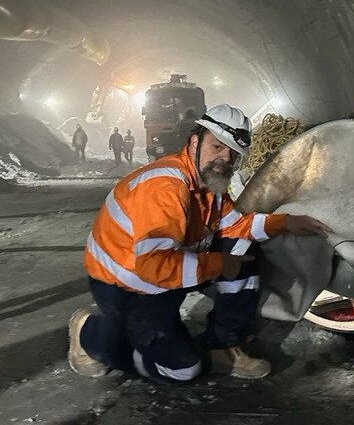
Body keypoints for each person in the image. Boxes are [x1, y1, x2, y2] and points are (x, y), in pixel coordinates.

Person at [68, 104, 330, 383]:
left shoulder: (209, 185)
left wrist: (286, 223)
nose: (224, 159)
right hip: (129, 288)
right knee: (183, 370)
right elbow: (153, 267)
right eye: (217, 147)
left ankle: (221, 347)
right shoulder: (164, 187)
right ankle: (90, 334)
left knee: (242, 250)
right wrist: (220, 263)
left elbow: (235, 225)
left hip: (165, 275)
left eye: (232, 154)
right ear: (195, 141)